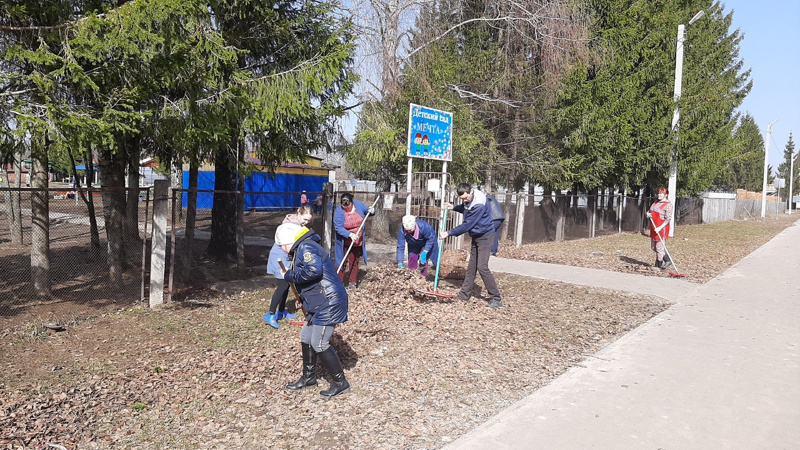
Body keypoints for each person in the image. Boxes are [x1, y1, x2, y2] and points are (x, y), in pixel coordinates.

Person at [280, 223, 351, 397]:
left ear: (287, 241)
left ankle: (341, 382)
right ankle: (308, 377)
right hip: (318, 302)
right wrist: (304, 300)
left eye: (281, 245)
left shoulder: (306, 247)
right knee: (306, 337)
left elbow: (313, 272)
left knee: (319, 342)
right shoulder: (302, 248)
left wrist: (289, 275)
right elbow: (313, 282)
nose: (281, 249)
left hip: (329, 302)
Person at [439, 183, 503, 308]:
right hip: (477, 236)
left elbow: (467, 225)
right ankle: (464, 295)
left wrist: (448, 233)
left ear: (471, 192)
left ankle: (496, 298)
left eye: (465, 198)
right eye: (462, 199)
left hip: (485, 236)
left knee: (482, 267)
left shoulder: (478, 204)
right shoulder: (470, 199)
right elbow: (465, 208)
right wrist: (454, 207)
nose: (465, 201)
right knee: (472, 267)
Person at [264, 223, 302, 329]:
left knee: (287, 285)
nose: (306, 222)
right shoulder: (289, 223)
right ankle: (270, 314)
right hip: (280, 256)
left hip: (287, 255)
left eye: (308, 220)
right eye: (304, 219)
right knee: (283, 286)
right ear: (299, 214)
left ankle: (281, 311)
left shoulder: (300, 228)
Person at [333, 193, 374, 287]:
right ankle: (339, 284)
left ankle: (352, 282)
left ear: (352, 202)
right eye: (343, 205)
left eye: (348, 205)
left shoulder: (358, 205)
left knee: (354, 261)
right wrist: (349, 234)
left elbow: (368, 211)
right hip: (344, 241)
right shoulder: (339, 211)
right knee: (341, 261)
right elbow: (338, 228)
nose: (345, 207)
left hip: (357, 240)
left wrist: (371, 211)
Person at [646, 187, 674, 269]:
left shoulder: (668, 205)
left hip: (661, 229)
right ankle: (668, 260)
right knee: (653, 247)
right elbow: (650, 211)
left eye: (661, 193)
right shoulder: (655, 203)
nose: (659, 195)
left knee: (659, 248)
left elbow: (668, 219)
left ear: (666, 195)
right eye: (659, 193)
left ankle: (658, 265)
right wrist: (648, 214)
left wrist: (660, 227)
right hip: (653, 228)